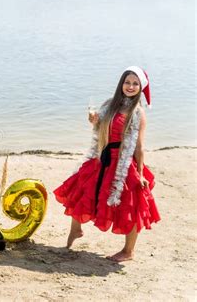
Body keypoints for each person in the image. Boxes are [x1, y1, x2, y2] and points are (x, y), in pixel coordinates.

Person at [54, 66, 161, 262]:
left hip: (124, 160)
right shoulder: (110, 104)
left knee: (133, 203)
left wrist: (140, 173)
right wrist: (94, 120)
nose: (130, 86)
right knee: (82, 188)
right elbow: (99, 125)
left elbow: (139, 147)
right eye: (127, 82)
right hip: (103, 157)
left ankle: (128, 251)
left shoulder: (137, 113)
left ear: (140, 87)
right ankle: (76, 230)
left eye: (135, 84)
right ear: (121, 84)